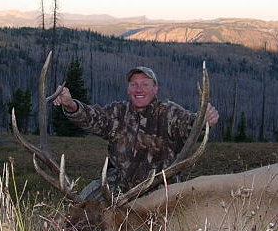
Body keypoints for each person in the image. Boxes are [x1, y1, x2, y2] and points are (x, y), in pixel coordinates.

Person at [53, 66, 219, 201]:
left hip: (160, 192)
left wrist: (204, 120)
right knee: (81, 208)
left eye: (145, 84)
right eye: (134, 84)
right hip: (118, 191)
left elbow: (189, 124)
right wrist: (70, 104)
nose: (139, 89)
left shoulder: (169, 113)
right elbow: (92, 118)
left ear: (155, 88)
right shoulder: (117, 112)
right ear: (128, 89)